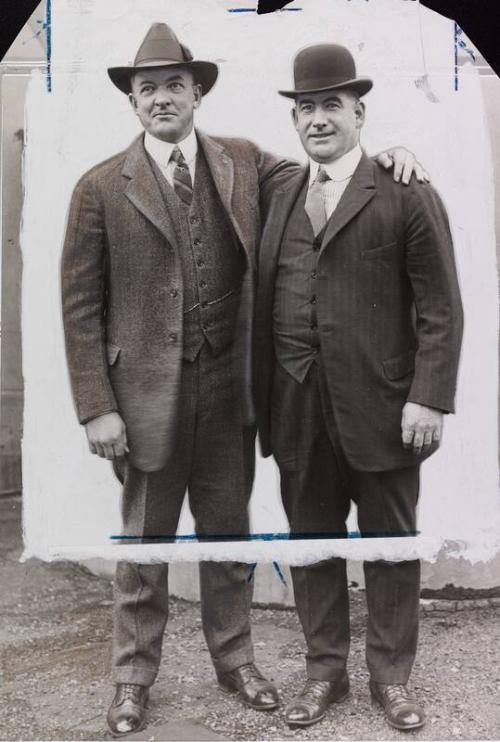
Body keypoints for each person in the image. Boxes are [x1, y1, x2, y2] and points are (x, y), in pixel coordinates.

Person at [61, 23, 429, 737]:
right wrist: (96, 408)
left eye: (174, 85)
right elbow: (80, 308)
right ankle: (133, 681)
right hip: (141, 406)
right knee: (145, 549)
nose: (162, 98)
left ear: (197, 92)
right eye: (147, 89)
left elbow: (335, 172)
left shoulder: (245, 163)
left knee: (227, 542)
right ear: (132, 104)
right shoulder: (100, 187)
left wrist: (393, 153)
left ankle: (237, 663)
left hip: (231, 397)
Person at [255, 43, 463, 730]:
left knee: (389, 547)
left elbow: (440, 306)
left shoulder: (405, 189)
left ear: (358, 112)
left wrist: (428, 396)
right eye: (305, 108)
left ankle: (391, 681)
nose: (317, 119)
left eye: (330, 107)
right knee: (311, 546)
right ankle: (324, 675)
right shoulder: (280, 190)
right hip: (297, 409)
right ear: (295, 120)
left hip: (384, 410)